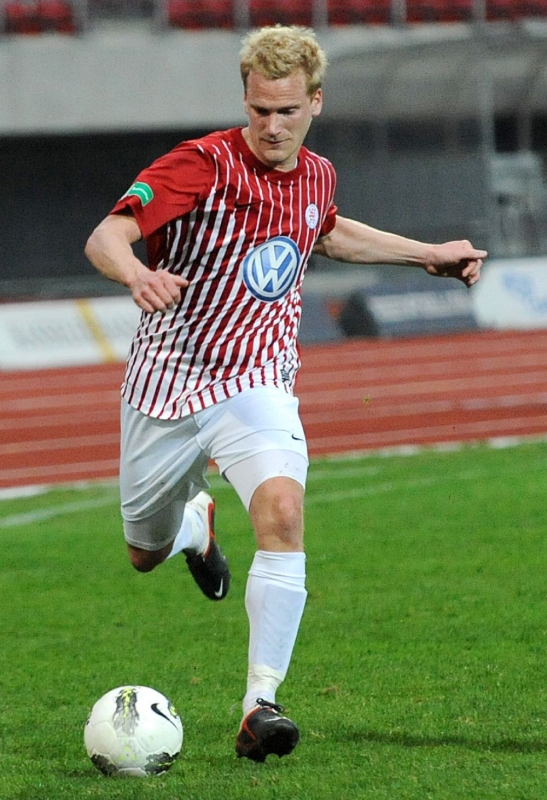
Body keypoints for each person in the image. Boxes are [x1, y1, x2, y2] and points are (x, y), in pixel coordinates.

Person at [84, 24, 486, 763]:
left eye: (288, 111)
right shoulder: (199, 164)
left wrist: (425, 254)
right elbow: (107, 235)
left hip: (257, 380)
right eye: (261, 110)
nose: (273, 126)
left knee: (283, 512)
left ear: (315, 103)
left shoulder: (318, 174)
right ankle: (195, 529)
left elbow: (324, 233)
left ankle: (260, 703)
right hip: (165, 384)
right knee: (143, 552)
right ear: (246, 100)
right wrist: (136, 272)